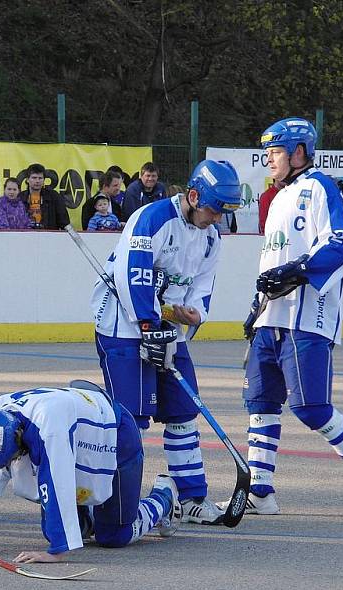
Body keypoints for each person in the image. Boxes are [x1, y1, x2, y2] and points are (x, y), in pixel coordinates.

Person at [90, 158, 242, 526]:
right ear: (193, 195)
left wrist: (194, 315)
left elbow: (202, 288)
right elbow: (133, 275)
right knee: (132, 418)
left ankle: (191, 498)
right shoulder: (152, 218)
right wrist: (147, 323)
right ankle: (114, 500)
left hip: (166, 327)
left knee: (182, 413)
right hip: (123, 326)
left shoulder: (211, 237)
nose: (218, 218)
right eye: (214, 210)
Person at [224, 117, 343, 516]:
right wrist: (257, 307)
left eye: (275, 152)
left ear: (299, 152)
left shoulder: (319, 187)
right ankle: (260, 492)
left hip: (307, 318)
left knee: (311, 407)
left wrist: (299, 268)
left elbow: (341, 241)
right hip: (272, 319)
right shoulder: (277, 196)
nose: (269, 159)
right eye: (267, 153)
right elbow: (273, 260)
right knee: (261, 402)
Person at [0, 382, 181, 562]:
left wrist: (56, 551)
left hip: (115, 434)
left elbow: (56, 481)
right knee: (78, 526)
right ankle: (86, 516)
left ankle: (163, 498)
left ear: (18, 437)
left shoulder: (48, 427)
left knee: (113, 536)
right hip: (76, 436)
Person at [16, 163, 70, 230]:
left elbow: (64, 222)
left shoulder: (54, 196)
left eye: (40, 178)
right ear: (27, 179)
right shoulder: (20, 197)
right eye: (34, 178)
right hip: (26, 235)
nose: (37, 181)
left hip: (49, 236)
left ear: (44, 180)